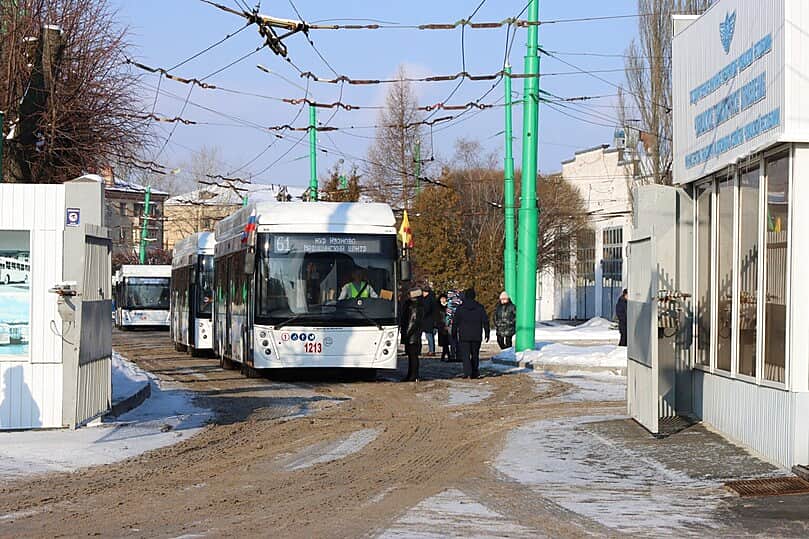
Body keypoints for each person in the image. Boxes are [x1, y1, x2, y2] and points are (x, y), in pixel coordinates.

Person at [452, 288, 490, 379]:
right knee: (475, 354)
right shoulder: (480, 307)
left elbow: (455, 322)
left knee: (465, 355)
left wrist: (453, 333)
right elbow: (485, 321)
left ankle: (467, 372)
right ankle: (475, 372)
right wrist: (487, 333)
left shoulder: (460, 308)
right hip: (476, 335)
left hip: (464, 335)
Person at [400, 287, 424, 381]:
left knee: (413, 356)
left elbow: (413, 322)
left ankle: (413, 375)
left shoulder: (415, 306)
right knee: (411, 356)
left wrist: (407, 333)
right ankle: (411, 375)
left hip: (412, 336)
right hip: (413, 335)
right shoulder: (416, 305)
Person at [420, 287, 438, 357]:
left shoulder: (427, 300)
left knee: (429, 336)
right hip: (431, 320)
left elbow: (426, 310)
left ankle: (431, 351)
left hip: (428, 320)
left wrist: (422, 315)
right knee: (430, 336)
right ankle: (431, 350)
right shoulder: (432, 298)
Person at [437, 293, 451, 361]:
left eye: (444, 298)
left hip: (447, 325)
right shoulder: (438, 307)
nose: (443, 300)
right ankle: (446, 355)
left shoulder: (448, 306)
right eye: (441, 298)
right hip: (441, 326)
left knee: (446, 342)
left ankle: (445, 356)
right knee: (444, 342)